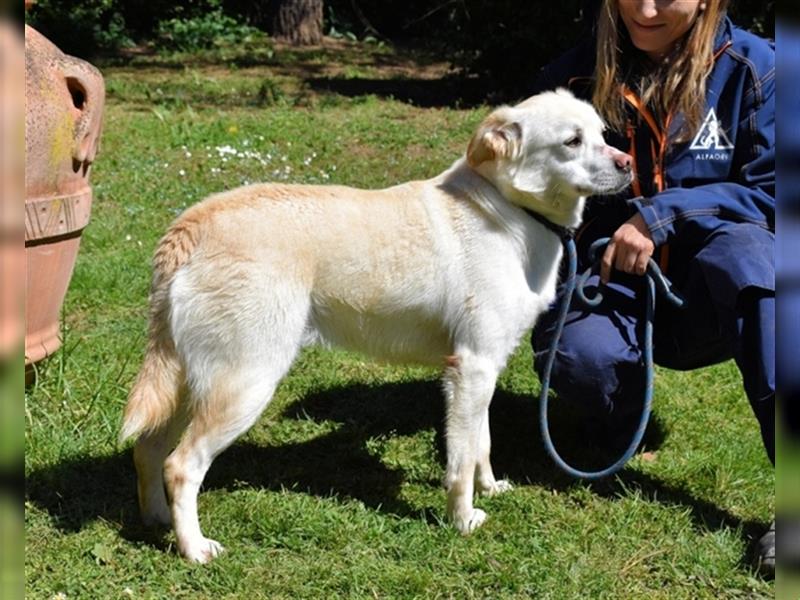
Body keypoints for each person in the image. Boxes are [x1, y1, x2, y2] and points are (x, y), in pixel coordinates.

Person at [529, 0, 775, 576]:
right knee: (579, 359)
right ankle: (621, 417)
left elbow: (773, 197)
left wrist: (662, 216)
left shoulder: (762, 69)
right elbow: (524, 188)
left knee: (751, 260)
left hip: (721, 288)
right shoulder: (569, 81)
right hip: (613, 284)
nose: (644, 9)